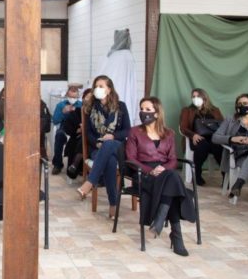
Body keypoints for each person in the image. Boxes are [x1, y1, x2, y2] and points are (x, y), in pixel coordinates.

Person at [125, 97, 196, 256]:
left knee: (170, 178)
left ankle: (161, 220)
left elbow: (173, 159)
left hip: (164, 172)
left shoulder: (168, 133)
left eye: (148, 110)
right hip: (143, 174)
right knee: (173, 182)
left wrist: (163, 168)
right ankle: (176, 236)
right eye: (142, 109)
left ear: (157, 113)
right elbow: (131, 158)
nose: (143, 112)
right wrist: (149, 170)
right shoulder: (134, 132)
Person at [75, 75, 131, 218]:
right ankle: (113, 204)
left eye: (101, 86)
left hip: (117, 146)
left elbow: (127, 131)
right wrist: (97, 143)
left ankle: (90, 182)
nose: (97, 89)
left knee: (109, 144)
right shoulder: (90, 108)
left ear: (109, 89)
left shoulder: (121, 106)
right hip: (97, 148)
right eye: (96, 86)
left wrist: (113, 136)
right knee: (110, 161)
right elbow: (88, 133)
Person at [212, 94, 248, 202]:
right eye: (240, 104)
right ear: (236, 106)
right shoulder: (230, 119)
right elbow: (215, 137)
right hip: (240, 154)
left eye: (246, 103)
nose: (243, 106)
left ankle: (238, 184)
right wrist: (232, 139)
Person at [179, 88, 224, 186]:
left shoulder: (215, 110)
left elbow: (222, 125)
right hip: (195, 138)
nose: (195, 98)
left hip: (213, 137)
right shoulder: (187, 110)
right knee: (202, 145)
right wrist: (193, 135)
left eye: (198, 96)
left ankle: (225, 176)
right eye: (193, 96)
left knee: (218, 146)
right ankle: (197, 174)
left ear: (204, 98)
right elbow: (183, 127)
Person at [95, 29, 138, 124]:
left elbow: (102, 75)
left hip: (111, 93)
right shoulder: (128, 56)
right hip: (124, 94)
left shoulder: (111, 55)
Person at [51, 84, 82, 174]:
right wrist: (63, 112)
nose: (72, 99)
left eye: (74, 97)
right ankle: (57, 164)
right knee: (59, 135)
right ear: (67, 96)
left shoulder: (81, 105)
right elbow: (55, 121)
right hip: (65, 128)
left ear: (78, 96)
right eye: (70, 97)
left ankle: (77, 166)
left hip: (77, 128)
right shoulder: (60, 105)